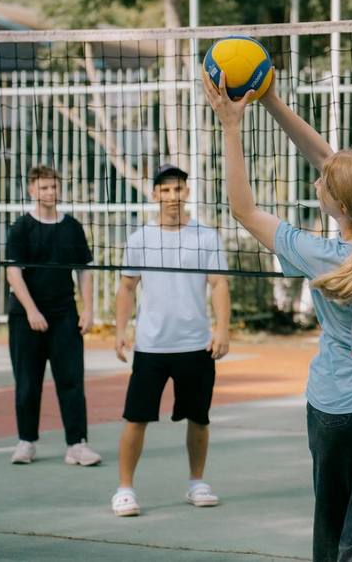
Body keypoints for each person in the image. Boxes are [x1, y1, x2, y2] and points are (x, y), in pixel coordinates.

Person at [203, 73, 352, 562]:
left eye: (323, 185)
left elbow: (243, 210)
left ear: (340, 205)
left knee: (332, 530)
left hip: (339, 410)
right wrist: (270, 100)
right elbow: (331, 162)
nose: (317, 179)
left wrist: (231, 125)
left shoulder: (320, 254)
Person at [111, 163, 231, 517]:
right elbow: (127, 286)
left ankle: (197, 482)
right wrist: (120, 330)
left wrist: (222, 328)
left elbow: (219, 283)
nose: (172, 196)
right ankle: (124, 489)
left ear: (187, 192)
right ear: (154, 195)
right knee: (136, 418)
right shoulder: (139, 239)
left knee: (199, 418)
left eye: (178, 189)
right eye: (165, 190)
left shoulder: (206, 236)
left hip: (195, 344)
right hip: (151, 346)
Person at [5, 164, 100, 466]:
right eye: (43, 187)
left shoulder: (72, 227)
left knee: (71, 380)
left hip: (63, 316)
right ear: (32, 190)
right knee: (27, 382)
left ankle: (77, 444)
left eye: (54, 186)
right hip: (26, 317)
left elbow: (83, 271)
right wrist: (32, 310)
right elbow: (13, 274)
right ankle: (26, 442)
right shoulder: (21, 228)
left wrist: (88, 309)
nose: (50, 192)